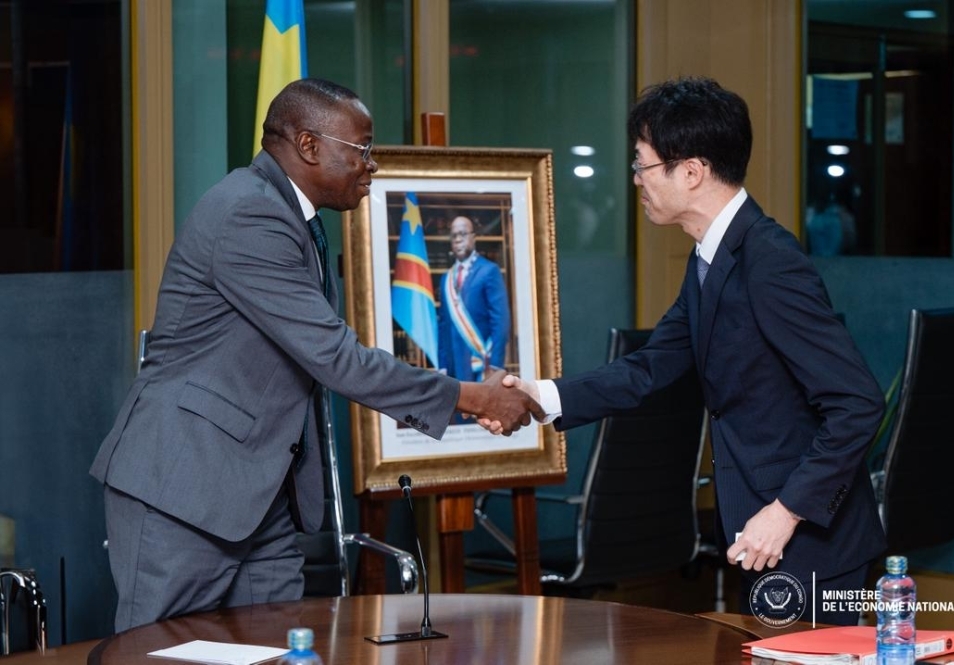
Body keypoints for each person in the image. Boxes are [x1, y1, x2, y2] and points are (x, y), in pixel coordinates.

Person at [89, 78, 538, 632]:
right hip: (184, 490)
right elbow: (336, 357)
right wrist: (470, 397)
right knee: (162, 653)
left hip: (261, 495)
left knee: (280, 645)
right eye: (363, 148)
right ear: (308, 146)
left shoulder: (292, 218)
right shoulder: (249, 215)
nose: (372, 164)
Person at [504, 77, 886, 625]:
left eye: (641, 164)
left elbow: (857, 402)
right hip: (765, 529)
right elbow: (654, 365)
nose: (635, 180)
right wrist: (540, 397)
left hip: (811, 540)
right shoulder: (711, 257)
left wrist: (786, 512)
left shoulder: (769, 262)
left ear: (691, 170)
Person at [437, 215, 511, 382]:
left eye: (462, 234)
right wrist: (442, 365)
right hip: (453, 368)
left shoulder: (489, 271)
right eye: (454, 235)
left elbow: (500, 321)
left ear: (473, 237)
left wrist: (495, 365)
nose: (458, 240)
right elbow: (443, 326)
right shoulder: (446, 279)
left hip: (480, 365)